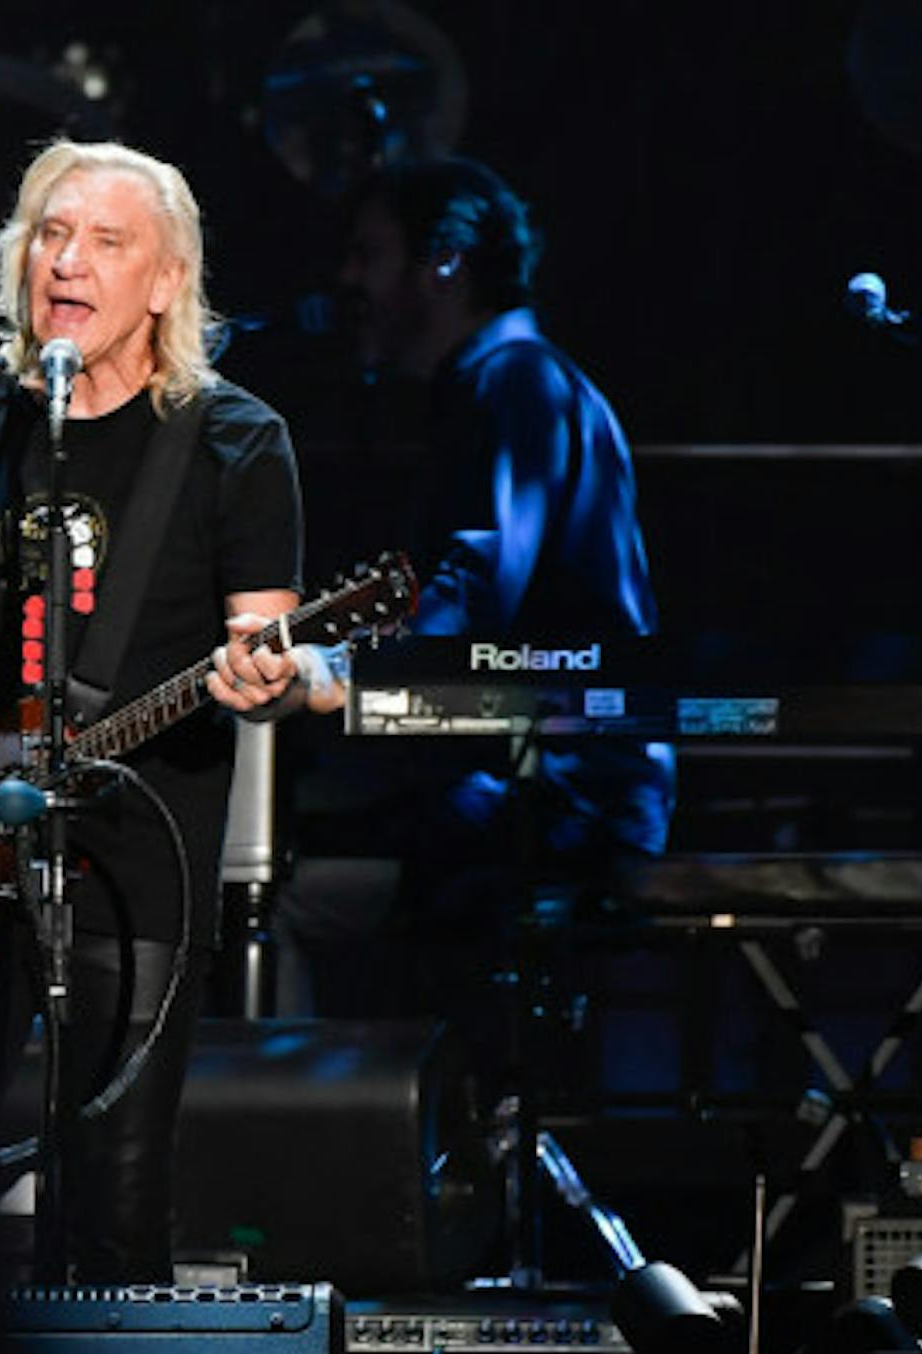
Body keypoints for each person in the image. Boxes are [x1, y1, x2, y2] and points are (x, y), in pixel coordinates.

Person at [0, 138, 342, 1284]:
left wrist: (286, 677)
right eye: (51, 235)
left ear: (166, 281)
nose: (68, 262)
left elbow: (279, 653)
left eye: (107, 243)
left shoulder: (236, 441)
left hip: (134, 882)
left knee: (112, 1219)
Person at [273, 156, 675, 1021]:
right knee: (295, 837)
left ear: (444, 260)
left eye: (369, 254)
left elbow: (476, 589)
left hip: (558, 795)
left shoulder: (517, 381)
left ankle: (358, 1104)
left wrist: (335, 671)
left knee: (273, 898)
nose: (349, 280)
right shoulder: (506, 384)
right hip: (530, 780)